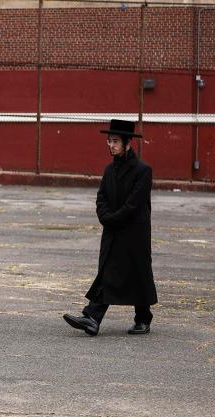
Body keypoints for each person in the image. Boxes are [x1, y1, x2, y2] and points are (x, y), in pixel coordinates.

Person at [63, 119, 157, 336]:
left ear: (128, 143)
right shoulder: (109, 169)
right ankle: (92, 318)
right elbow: (101, 197)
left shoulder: (143, 171)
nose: (111, 145)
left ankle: (142, 318)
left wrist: (112, 218)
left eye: (115, 141)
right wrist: (105, 216)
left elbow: (134, 204)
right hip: (113, 230)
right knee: (108, 273)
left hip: (134, 234)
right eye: (109, 141)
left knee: (138, 274)